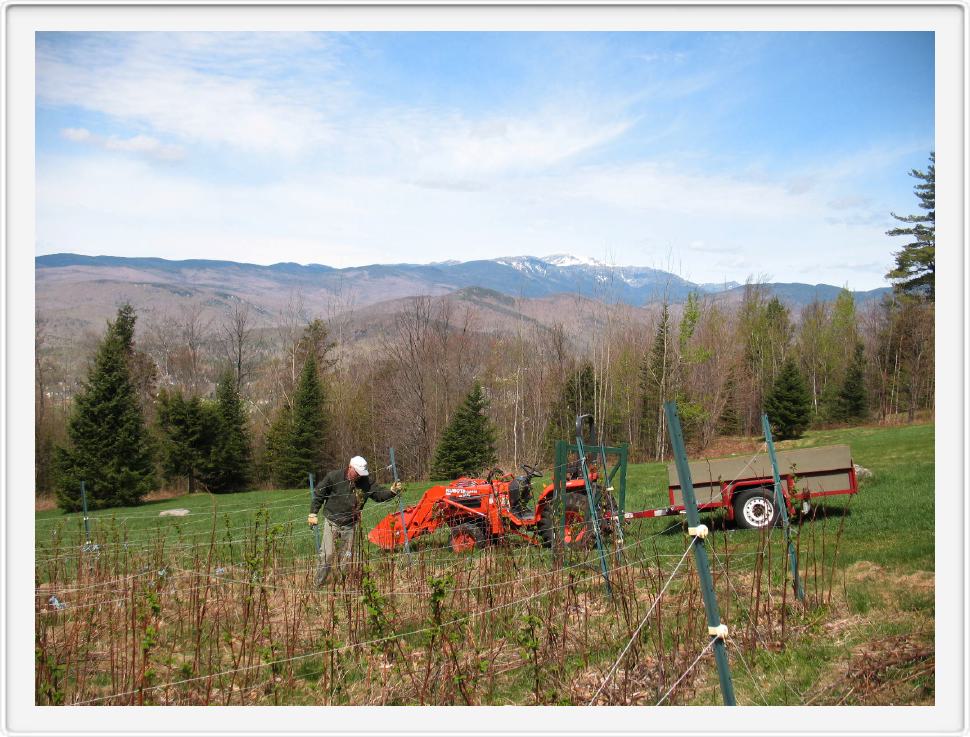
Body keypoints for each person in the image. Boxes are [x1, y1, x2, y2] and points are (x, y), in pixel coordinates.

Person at [308, 455, 402, 587]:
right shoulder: (333, 477)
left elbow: (379, 495)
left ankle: (342, 584)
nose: (359, 476)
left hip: (351, 524)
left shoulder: (366, 482)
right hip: (332, 521)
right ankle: (318, 583)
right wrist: (313, 512)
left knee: (346, 557)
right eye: (356, 473)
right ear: (350, 467)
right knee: (327, 554)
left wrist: (392, 492)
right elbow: (319, 493)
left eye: (361, 474)